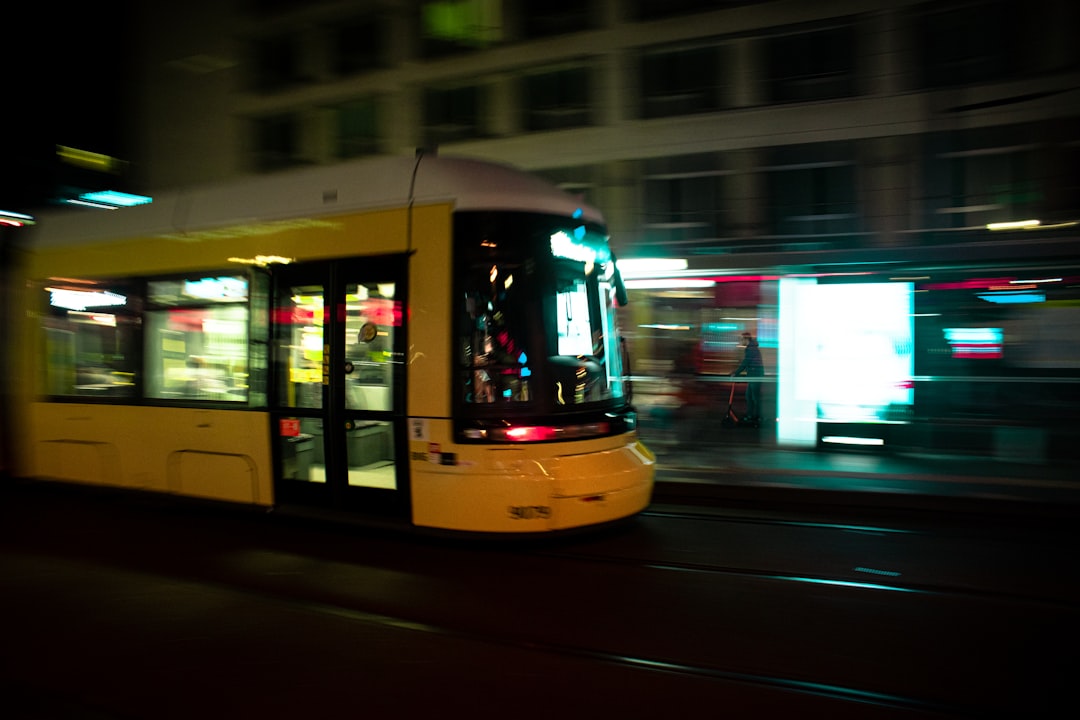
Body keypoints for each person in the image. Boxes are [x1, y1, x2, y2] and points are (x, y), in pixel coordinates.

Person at [732, 332, 764, 424]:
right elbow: (747, 363)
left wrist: (736, 373)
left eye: (742, 339)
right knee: (749, 396)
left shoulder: (751, 349)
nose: (741, 341)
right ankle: (751, 415)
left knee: (754, 397)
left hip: (755, 376)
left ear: (746, 339)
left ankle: (757, 417)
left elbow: (746, 362)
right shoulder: (751, 348)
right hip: (754, 375)